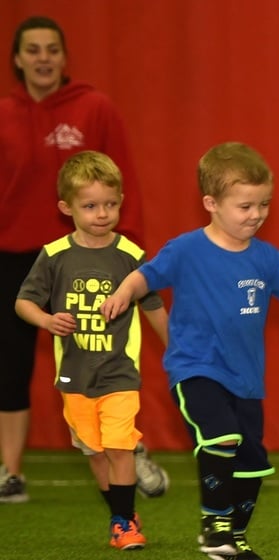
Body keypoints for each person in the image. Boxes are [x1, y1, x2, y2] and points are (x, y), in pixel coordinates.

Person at [100, 142, 279, 560]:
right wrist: (123, 292)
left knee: (251, 467)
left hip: (246, 380)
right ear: (211, 203)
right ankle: (214, 523)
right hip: (195, 368)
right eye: (245, 206)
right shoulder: (187, 249)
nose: (256, 214)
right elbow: (145, 276)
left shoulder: (266, 258)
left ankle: (233, 538)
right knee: (221, 435)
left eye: (264, 204)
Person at [0, 15, 166, 503]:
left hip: (92, 254)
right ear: (17, 59)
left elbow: (123, 179)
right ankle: (11, 472)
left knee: (105, 355)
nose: (43, 58)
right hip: (12, 253)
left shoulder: (95, 107)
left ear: (64, 57)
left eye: (52, 49)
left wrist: (126, 249)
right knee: (9, 366)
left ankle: (127, 445)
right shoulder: (3, 112)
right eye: (33, 49)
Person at [15, 151, 168, 549]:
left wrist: (179, 352)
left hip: (120, 372)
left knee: (116, 447)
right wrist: (47, 321)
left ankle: (124, 524)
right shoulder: (54, 256)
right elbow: (23, 302)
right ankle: (122, 513)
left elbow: (153, 307)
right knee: (94, 452)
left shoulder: (131, 257)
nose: (102, 214)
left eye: (111, 204)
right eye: (90, 206)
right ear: (67, 208)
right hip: (75, 376)